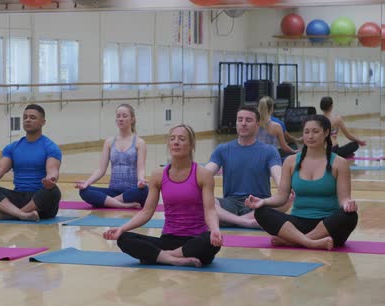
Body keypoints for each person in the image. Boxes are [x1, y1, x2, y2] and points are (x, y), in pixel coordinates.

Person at [103, 124, 222, 267]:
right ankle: (174, 259)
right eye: (172, 139)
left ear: (191, 145)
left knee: (211, 242)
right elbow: (146, 212)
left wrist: (215, 229)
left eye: (182, 139)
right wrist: (121, 229)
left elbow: (210, 210)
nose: (176, 142)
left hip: (194, 240)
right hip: (167, 240)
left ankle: (162, 256)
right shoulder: (158, 175)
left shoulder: (203, 174)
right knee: (124, 238)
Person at [245, 115, 358, 250]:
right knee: (261, 212)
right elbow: (281, 197)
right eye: (306, 132)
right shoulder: (291, 161)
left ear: (326, 133)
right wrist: (263, 202)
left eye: (315, 132)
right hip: (298, 223)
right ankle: (310, 242)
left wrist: (348, 204)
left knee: (350, 215)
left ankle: (294, 241)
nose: (310, 136)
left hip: (328, 225)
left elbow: (344, 199)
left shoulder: (340, 163)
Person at [0, 104, 61, 221]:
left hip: (40, 202)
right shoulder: (13, 147)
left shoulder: (50, 147)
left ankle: (11, 214)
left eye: (32, 117)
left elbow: (52, 169)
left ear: (43, 122)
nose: (28, 120)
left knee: (53, 191)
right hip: (19, 197)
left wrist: (51, 179)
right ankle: (23, 215)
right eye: (25, 117)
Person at [205, 105, 289, 229]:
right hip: (231, 203)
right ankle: (246, 222)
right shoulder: (222, 149)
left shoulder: (269, 151)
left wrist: (287, 190)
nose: (243, 124)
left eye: (248, 120)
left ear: (257, 124)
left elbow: (279, 177)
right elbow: (205, 174)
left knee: (288, 199)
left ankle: (230, 219)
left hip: (259, 203)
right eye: (240, 120)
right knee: (203, 201)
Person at [75, 104, 148, 209]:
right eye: (118, 116)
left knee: (145, 190)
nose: (121, 119)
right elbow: (101, 170)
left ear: (132, 119)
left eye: (124, 116)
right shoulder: (109, 142)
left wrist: (141, 180)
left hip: (131, 192)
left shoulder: (139, 142)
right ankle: (123, 205)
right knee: (84, 191)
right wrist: (87, 183)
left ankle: (109, 202)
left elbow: (141, 169)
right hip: (113, 191)